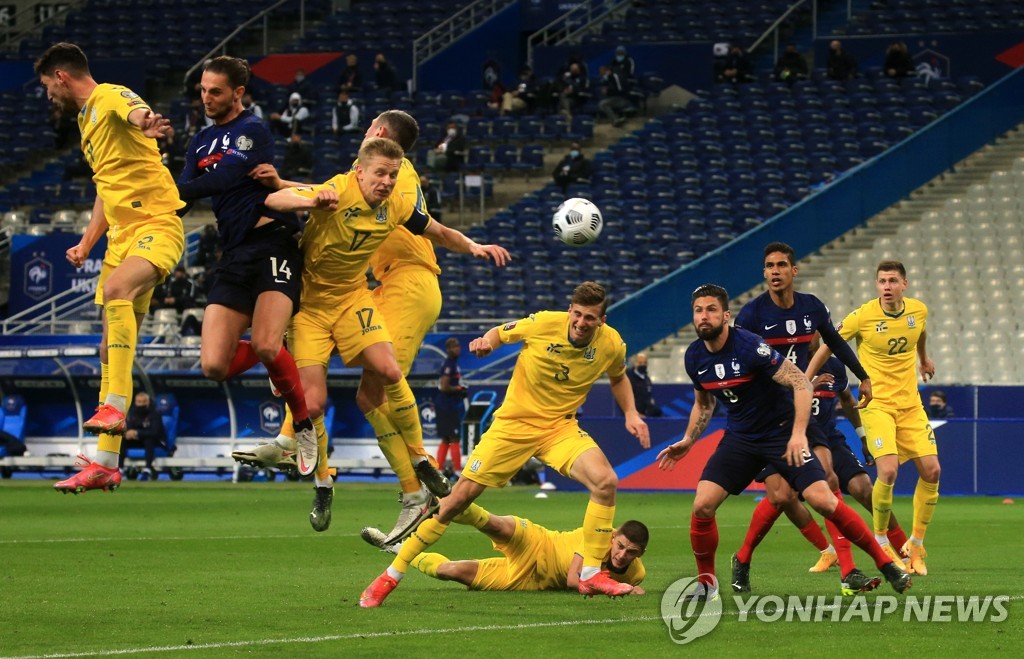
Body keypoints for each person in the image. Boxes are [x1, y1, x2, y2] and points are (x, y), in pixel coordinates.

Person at [256, 135, 510, 533]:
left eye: (392, 174)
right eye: (381, 173)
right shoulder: (338, 189)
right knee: (315, 404)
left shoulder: (394, 205)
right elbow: (275, 202)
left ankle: (420, 462)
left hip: (356, 298)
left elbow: (439, 232)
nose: (387, 181)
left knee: (389, 373)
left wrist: (473, 246)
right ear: (360, 172)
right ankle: (322, 479)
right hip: (311, 309)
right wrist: (307, 200)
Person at [359, 281, 652, 607]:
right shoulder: (544, 323)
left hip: (559, 428)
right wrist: (486, 342)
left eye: (591, 318)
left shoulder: (611, 345)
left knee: (606, 481)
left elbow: (618, 377)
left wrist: (631, 413)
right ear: (570, 311)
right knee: (457, 501)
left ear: (603, 320)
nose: (582, 323)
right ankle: (390, 576)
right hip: (513, 426)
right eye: (578, 315)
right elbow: (501, 332)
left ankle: (591, 573)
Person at [655, 284, 910, 602]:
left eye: (711, 309)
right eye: (698, 310)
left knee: (824, 499)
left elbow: (800, 381)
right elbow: (704, 405)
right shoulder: (694, 356)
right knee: (703, 505)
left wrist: (798, 433)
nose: (704, 316)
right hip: (741, 439)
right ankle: (707, 584)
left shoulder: (749, 346)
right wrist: (688, 440)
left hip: (781, 433)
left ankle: (886, 564)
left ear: (726, 315)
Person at [39, 43, 185, 494]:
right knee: (108, 348)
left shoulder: (110, 97)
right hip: (121, 237)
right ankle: (104, 460)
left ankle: (116, 406)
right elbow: (106, 185)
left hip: (156, 224)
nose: (48, 97)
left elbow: (135, 113)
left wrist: (149, 122)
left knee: (119, 291)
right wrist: (86, 242)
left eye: (47, 87)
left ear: (61, 77)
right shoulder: (86, 122)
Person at [176, 56, 318, 477]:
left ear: (238, 93)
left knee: (267, 343)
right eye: (203, 90)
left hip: (273, 241)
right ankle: (275, 362)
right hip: (234, 252)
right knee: (214, 366)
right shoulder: (200, 141)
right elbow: (182, 197)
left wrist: (162, 190)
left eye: (215, 91)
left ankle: (303, 428)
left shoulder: (250, 130)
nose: (206, 98)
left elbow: (220, 181)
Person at [730, 242, 881, 594]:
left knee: (826, 481)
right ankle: (743, 557)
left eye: (782, 265)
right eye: (769, 266)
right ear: (764, 272)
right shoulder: (751, 316)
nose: (775, 271)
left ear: (793, 271)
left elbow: (837, 343)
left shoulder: (812, 307)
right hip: (762, 418)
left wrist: (863, 376)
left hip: (797, 414)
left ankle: (848, 572)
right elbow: (743, 365)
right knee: (781, 496)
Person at [733, 335, 910, 594]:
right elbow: (769, 397)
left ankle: (906, 551)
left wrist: (863, 438)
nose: (808, 334)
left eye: (814, 329)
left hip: (826, 437)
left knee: (863, 487)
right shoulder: (779, 361)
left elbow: (848, 401)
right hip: (784, 436)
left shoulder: (835, 366)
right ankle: (825, 555)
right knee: (782, 496)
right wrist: (806, 385)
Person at [806, 260, 940, 576]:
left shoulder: (918, 310)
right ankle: (881, 541)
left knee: (932, 471)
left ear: (904, 284)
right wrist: (805, 376)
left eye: (893, 281)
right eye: (882, 281)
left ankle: (916, 544)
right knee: (889, 471)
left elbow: (919, 331)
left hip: (910, 406)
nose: (887, 286)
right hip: (876, 404)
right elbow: (828, 346)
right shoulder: (863, 317)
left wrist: (923, 358)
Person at [407, 502, 648, 594]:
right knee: (496, 524)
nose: (621, 555)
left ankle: (400, 549)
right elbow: (574, 581)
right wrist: (618, 589)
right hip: (539, 543)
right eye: (620, 546)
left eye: (631, 552)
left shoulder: (636, 574)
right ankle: (439, 502)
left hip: (531, 581)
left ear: (640, 554)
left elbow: (630, 584)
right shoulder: (599, 536)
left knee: (448, 571)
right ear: (613, 537)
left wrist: (628, 587)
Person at [435, 337, 467, 476]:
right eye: (453, 347)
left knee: (446, 438)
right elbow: (444, 386)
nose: (457, 349)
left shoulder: (454, 363)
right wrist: (459, 389)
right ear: (448, 350)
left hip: (447, 405)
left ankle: (439, 470)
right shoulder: (449, 365)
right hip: (447, 406)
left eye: (458, 346)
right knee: (454, 438)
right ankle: (458, 471)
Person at [118, 392, 166, 480]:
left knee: (149, 439)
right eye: (139, 402)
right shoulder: (132, 413)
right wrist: (128, 433)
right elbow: (129, 427)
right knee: (122, 439)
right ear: (135, 402)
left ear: (148, 402)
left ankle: (147, 469)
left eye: (144, 401)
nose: (141, 404)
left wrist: (137, 433)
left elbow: (155, 432)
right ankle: (120, 468)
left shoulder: (155, 414)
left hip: (154, 442)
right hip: (137, 441)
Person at [625, 353, 661, 418]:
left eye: (645, 363)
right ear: (635, 363)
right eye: (640, 363)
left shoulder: (647, 379)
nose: (643, 365)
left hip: (646, 415)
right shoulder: (628, 378)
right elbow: (624, 398)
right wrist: (633, 414)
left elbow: (649, 396)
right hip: (634, 416)